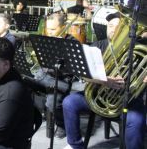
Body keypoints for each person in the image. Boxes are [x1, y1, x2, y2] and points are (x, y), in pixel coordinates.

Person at [62, 12, 146, 149]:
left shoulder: (138, 48)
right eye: (110, 26)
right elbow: (82, 73)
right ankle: (75, 145)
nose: (112, 29)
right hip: (97, 96)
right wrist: (103, 80)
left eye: (117, 26)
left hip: (128, 99)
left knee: (137, 120)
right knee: (69, 102)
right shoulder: (97, 46)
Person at [35, 13, 73, 138]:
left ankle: (61, 124)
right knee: (24, 83)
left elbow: (71, 70)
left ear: (63, 27)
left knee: (52, 103)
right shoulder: (46, 38)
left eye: (53, 29)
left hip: (61, 79)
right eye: (48, 29)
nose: (49, 32)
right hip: (46, 75)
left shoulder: (71, 42)